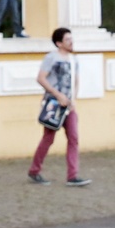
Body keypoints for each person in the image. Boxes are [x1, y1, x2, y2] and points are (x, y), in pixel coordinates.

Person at [28, 27, 91, 187]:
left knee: (74, 138)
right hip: (54, 105)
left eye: (71, 39)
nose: (71, 42)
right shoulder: (51, 58)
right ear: (59, 43)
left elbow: (75, 80)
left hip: (69, 107)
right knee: (48, 139)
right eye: (67, 40)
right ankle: (34, 170)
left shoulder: (73, 59)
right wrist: (58, 95)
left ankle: (72, 175)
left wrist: (73, 99)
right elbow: (41, 78)